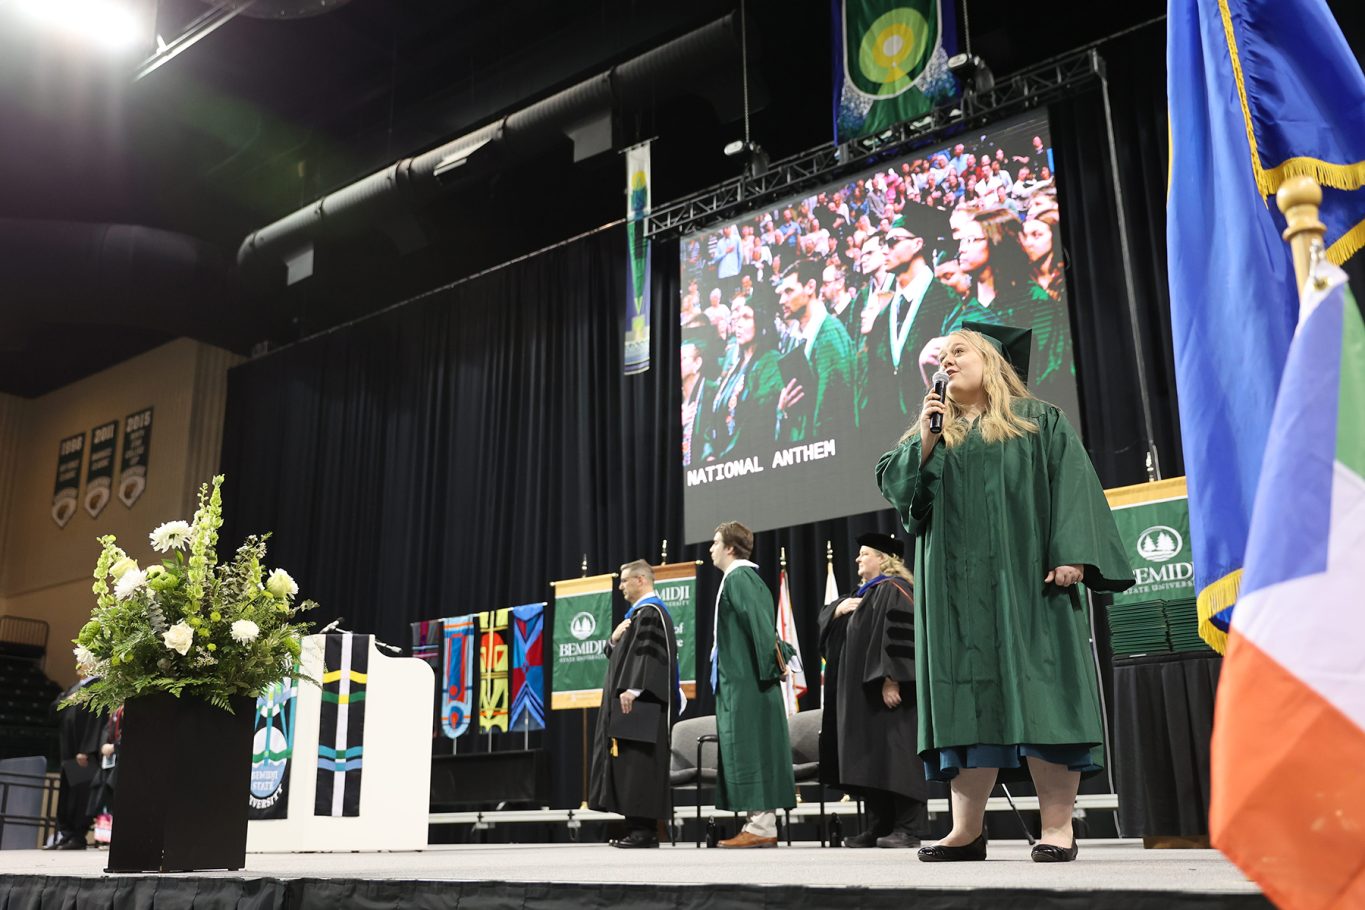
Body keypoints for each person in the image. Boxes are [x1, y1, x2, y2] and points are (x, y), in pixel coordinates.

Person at [875, 326, 1134, 864]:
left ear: (992, 360)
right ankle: (966, 831)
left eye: (958, 352)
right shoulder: (932, 434)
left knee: (1046, 698)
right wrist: (926, 438)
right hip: (953, 596)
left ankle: (1058, 828)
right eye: (940, 358)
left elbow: (1074, 487)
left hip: (1028, 584)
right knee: (964, 701)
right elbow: (902, 495)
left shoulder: (1039, 422)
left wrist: (1073, 553)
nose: (946, 363)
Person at [822, 532, 925, 848]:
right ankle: (880, 825)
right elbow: (829, 630)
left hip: (888, 692)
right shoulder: (862, 594)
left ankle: (908, 827)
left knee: (897, 757)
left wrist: (892, 677)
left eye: (864, 553)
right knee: (872, 761)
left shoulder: (896, 590)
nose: (857, 558)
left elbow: (901, 636)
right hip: (863, 696)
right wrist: (838, 609)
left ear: (883, 558)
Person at [708, 521, 796, 848]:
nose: (711, 549)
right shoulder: (736, 579)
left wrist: (773, 666)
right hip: (741, 682)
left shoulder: (741, 577)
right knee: (744, 749)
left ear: (731, 548)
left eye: (716, 543)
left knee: (754, 748)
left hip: (751, 683)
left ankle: (761, 826)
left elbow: (761, 626)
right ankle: (757, 823)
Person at [589, 560, 684, 848]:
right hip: (632, 704)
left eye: (623, 580)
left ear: (641, 580)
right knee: (629, 761)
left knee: (639, 762)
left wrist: (633, 687)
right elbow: (624, 654)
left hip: (640, 702)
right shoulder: (637, 615)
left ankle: (645, 831)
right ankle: (637, 828)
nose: (620, 587)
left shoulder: (652, 613)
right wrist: (613, 640)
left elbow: (648, 656)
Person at [775, 259, 855, 442]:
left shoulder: (830, 335)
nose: (782, 300)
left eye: (789, 291)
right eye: (781, 293)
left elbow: (834, 412)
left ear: (810, 287)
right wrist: (783, 411)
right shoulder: (793, 339)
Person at [46, 675, 103, 850]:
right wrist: (67, 699)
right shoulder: (74, 687)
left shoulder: (98, 685)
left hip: (82, 751)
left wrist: (86, 749)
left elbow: (97, 719)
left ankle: (78, 836)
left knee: (79, 795)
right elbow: (54, 711)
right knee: (66, 794)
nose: (79, 664)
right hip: (67, 750)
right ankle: (66, 834)